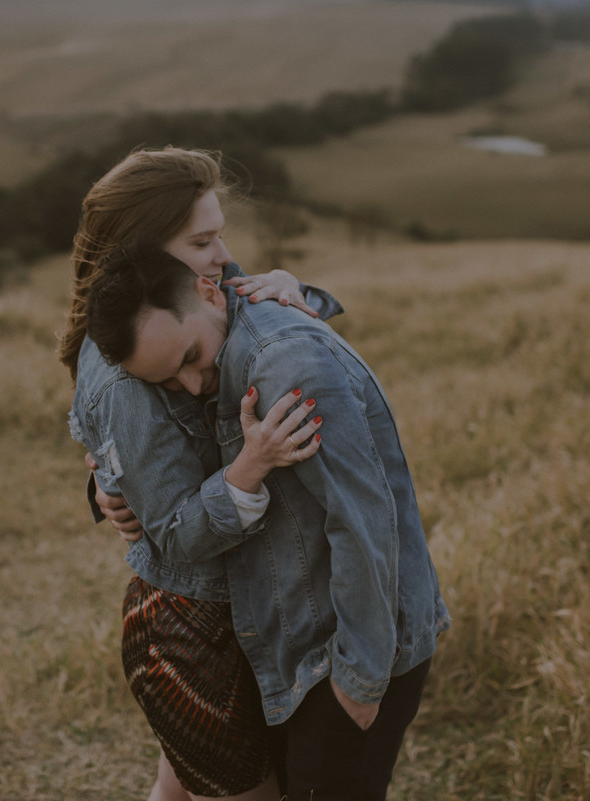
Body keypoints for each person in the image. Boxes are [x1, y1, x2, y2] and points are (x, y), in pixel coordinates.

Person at [85, 247, 451, 801]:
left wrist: (358, 681)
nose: (190, 384)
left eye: (190, 356)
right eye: (168, 381)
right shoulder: (225, 334)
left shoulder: (281, 365)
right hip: (301, 648)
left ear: (210, 291)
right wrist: (103, 484)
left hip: (346, 652)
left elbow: (364, 523)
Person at [60, 147, 341, 800]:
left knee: (178, 791)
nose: (222, 254)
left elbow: (260, 318)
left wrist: (293, 289)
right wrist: (108, 485)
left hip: (235, 610)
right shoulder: (128, 366)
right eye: (204, 239)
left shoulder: (188, 287)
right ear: (148, 248)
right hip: (188, 630)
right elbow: (161, 506)